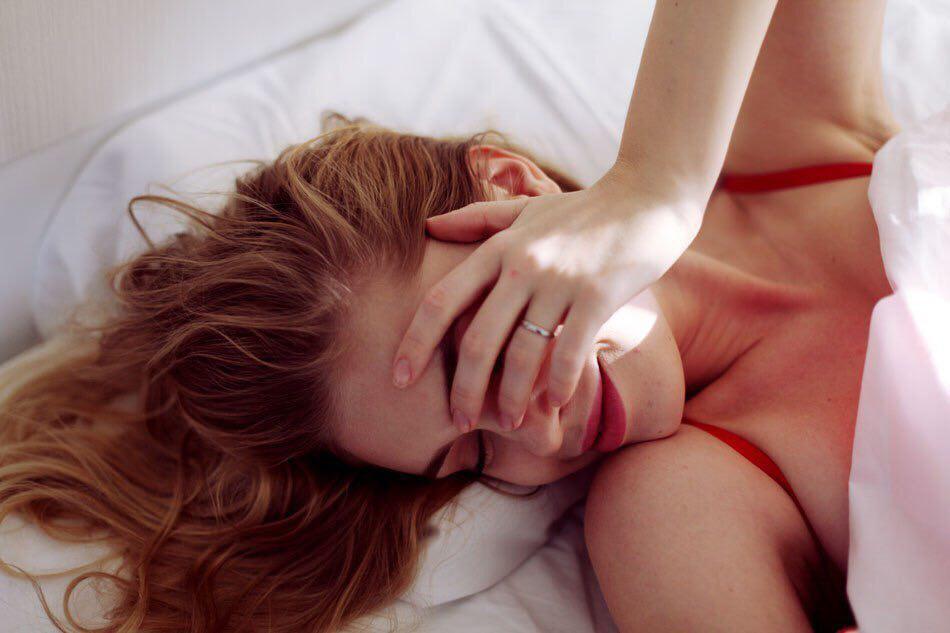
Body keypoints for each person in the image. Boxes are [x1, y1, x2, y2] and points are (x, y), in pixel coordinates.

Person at [0, 3, 898, 633]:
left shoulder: (795, 130)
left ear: (511, 189)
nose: (539, 433)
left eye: (487, 352)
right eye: (473, 455)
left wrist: (656, 180)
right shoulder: (678, 509)